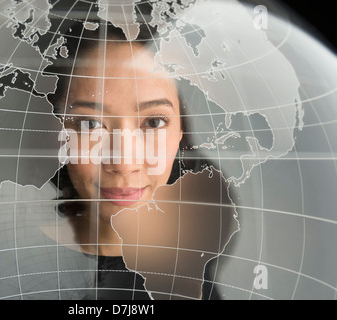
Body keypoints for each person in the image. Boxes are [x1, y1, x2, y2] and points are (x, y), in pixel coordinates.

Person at [40, 16, 237, 300]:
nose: (124, 163)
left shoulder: (186, 270)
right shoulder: (13, 268)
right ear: (56, 133)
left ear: (181, 130)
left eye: (153, 122)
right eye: (90, 124)